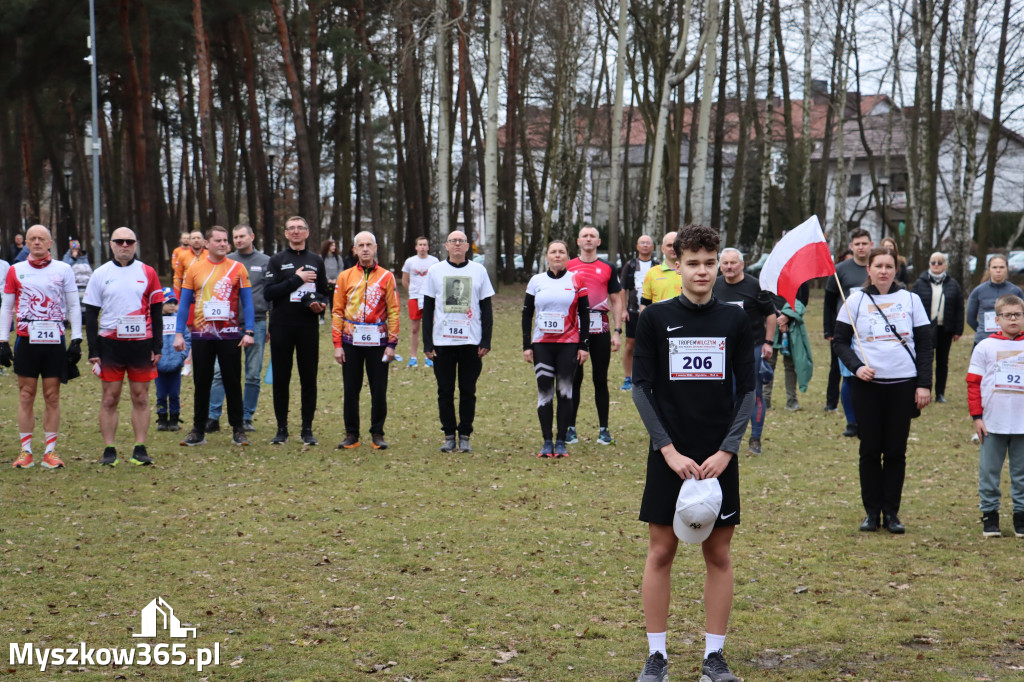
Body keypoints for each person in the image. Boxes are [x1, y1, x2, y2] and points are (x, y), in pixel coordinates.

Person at [631, 224, 753, 682]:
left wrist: (727, 451)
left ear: (718, 264)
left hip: (718, 456)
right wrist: (667, 450)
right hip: (671, 453)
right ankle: (656, 658)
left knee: (718, 555)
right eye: (693, 263)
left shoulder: (734, 320)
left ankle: (713, 659)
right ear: (677, 265)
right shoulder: (655, 318)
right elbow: (641, 389)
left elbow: (748, 390)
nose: (702, 271)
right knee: (661, 552)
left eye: (709, 263)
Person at [833, 247, 933, 534]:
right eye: (878, 266)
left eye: (889, 266)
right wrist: (856, 367)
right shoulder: (855, 301)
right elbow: (840, 341)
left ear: (896, 269)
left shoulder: (911, 300)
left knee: (895, 451)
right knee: (869, 450)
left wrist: (924, 384)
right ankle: (871, 512)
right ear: (869, 269)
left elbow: (925, 345)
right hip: (867, 388)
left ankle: (891, 513)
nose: (884, 271)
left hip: (903, 385)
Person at [0, 225, 83, 469]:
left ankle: (50, 452)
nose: (36, 242)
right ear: (26, 243)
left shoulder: (63, 269)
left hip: (54, 340)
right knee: (26, 394)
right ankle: (25, 451)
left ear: (50, 243)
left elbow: (74, 305)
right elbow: (7, 307)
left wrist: (77, 339)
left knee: (52, 396)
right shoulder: (16, 270)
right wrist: (2, 340)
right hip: (26, 340)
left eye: (41, 239)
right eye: (32, 239)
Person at [83, 227, 164, 466]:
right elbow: (91, 314)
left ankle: (140, 448)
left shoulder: (148, 272)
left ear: (135, 244)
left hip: (141, 344)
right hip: (110, 345)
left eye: (129, 241)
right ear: (111, 244)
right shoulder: (100, 273)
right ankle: (109, 450)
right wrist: (93, 350)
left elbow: (157, 311)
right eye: (119, 241)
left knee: (141, 397)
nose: (124, 245)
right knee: (110, 398)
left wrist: (158, 346)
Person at [173, 226, 256, 447]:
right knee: (202, 382)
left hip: (230, 335)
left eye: (225, 240)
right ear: (207, 244)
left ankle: (238, 429)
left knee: (232, 382)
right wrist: (178, 333)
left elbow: (247, 303)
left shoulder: (238, 268)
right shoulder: (194, 269)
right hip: (202, 335)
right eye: (218, 240)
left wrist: (249, 331)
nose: (222, 244)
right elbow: (184, 304)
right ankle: (198, 430)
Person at [421, 230, 495, 453]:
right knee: (444, 391)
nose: (457, 244)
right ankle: (448, 435)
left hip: (471, 342)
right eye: (453, 241)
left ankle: (464, 435)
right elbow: (428, 309)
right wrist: (427, 343)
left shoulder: (479, 271)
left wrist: (486, 340)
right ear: (446, 245)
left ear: (467, 246)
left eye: (461, 241)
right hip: (442, 342)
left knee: (467, 390)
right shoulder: (435, 271)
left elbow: (487, 309)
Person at [263, 216, 329, 445]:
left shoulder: (316, 260)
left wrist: (321, 305)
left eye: (300, 228)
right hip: (281, 326)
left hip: (307, 327)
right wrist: (296, 279)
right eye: (291, 228)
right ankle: (281, 429)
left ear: (307, 232)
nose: (296, 231)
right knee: (281, 379)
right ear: (286, 233)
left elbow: (324, 292)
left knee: (308, 378)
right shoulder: (276, 260)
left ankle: (307, 429)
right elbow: (269, 293)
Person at [332, 231, 399, 450]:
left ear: (376, 248)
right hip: (350, 341)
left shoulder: (386, 276)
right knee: (351, 389)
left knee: (379, 389)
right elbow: (337, 311)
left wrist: (392, 344)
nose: (365, 249)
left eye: (369, 245)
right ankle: (351, 434)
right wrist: (337, 345)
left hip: (378, 343)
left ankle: (377, 433)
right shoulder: (345, 276)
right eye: (360, 245)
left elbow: (394, 311)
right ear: (354, 250)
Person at [521, 240, 590, 457]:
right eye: (553, 252)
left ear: (568, 256)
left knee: (565, 392)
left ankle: (561, 441)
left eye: (561, 252)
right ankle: (546, 441)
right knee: (545, 392)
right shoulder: (536, 281)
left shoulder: (577, 279)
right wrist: (526, 345)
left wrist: (584, 345)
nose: (557, 255)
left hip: (569, 345)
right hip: (542, 345)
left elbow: (585, 313)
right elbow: (526, 314)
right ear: (547, 256)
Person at [966, 294, 1024, 538]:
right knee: (989, 472)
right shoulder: (985, 347)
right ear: (997, 319)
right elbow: (973, 384)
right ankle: (990, 515)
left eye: (1017, 314)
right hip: (992, 422)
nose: (1013, 319)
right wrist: (977, 417)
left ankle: (1021, 516)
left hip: (1021, 423)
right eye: (1007, 315)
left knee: (1021, 474)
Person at [207, 225, 270, 433]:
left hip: (257, 323)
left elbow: (269, 294)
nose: (238, 240)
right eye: (235, 237)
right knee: (219, 372)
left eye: (242, 236)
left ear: (252, 236)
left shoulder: (265, 261)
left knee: (252, 374)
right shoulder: (227, 261)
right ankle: (213, 416)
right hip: (228, 324)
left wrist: (270, 324)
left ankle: (246, 417)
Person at [713, 248, 777, 456]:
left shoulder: (755, 285)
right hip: (722, 349)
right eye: (725, 263)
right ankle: (729, 438)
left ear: (742, 264)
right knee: (726, 393)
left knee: (752, 392)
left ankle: (755, 439)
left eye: (733, 263)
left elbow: (770, 315)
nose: (729, 267)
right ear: (720, 266)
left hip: (752, 347)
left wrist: (768, 342)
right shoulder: (714, 285)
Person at [565, 225, 623, 446]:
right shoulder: (568, 266)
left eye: (593, 236)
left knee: (600, 378)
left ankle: (604, 430)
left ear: (599, 242)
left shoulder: (608, 267)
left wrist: (617, 331)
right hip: (574, 329)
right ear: (578, 241)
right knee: (574, 379)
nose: (588, 239)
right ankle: (570, 429)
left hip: (601, 328)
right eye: (585, 236)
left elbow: (616, 299)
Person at [823, 228, 873, 438]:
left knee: (870, 375)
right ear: (851, 247)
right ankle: (851, 422)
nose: (861, 247)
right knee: (848, 376)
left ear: (871, 245)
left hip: (872, 332)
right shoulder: (840, 270)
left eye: (864, 243)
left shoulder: (876, 268)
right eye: (857, 244)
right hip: (846, 333)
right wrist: (829, 329)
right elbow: (828, 302)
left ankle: (868, 418)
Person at [911, 252, 964, 403]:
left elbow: (959, 308)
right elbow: (912, 306)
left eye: (939, 263)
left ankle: (940, 393)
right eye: (933, 262)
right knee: (924, 359)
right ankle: (921, 388)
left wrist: (958, 330)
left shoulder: (953, 284)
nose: (936, 265)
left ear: (945, 265)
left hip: (945, 329)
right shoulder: (920, 283)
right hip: (925, 329)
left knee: (942, 362)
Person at [619, 234, 657, 391]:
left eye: (648, 243)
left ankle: (652, 377)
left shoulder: (657, 266)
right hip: (633, 311)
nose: (645, 245)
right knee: (630, 345)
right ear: (637, 246)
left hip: (653, 312)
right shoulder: (630, 265)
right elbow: (623, 288)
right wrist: (623, 310)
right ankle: (628, 378)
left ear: (653, 247)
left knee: (653, 345)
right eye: (642, 243)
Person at [765, 284, 811, 411]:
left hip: (792, 324)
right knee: (768, 361)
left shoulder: (800, 279)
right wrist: (777, 316)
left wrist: (788, 316)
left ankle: (791, 400)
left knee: (791, 363)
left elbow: (803, 300)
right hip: (771, 323)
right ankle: (765, 399)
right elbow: (763, 298)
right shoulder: (769, 277)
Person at [966, 255, 1023, 347]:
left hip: (1010, 341)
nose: (998, 270)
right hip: (983, 340)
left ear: (1007, 269)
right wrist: (982, 330)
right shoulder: (978, 291)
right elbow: (970, 318)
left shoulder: (1016, 291)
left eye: (1002, 267)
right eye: (994, 267)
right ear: (989, 269)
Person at [401, 236, 440, 368]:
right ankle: (413, 357)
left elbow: (438, 279)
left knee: (430, 327)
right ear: (416, 247)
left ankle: (430, 356)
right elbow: (405, 280)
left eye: (424, 245)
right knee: (414, 329)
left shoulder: (434, 261)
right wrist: (412, 291)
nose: (422, 247)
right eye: (420, 245)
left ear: (428, 247)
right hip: (415, 298)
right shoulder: (410, 262)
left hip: (430, 298)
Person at [156, 288, 188, 432]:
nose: (172, 305)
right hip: (159, 365)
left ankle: (174, 419)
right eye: (168, 302)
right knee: (161, 395)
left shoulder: (178, 320)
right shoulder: (155, 320)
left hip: (176, 364)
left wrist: (182, 355)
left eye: (174, 303)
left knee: (174, 394)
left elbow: (187, 338)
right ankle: (162, 418)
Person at [639, 231, 681, 310]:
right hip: (658, 317)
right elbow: (645, 304)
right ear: (663, 249)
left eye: (676, 245)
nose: (673, 248)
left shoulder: (690, 272)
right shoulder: (652, 273)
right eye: (669, 245)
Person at [173, 230, 207, 297]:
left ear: (203, 241)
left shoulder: (209, 255)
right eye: (193, 238)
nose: (196, 240)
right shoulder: (182, 256)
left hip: (206, 292)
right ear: (190, 241)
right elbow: (177, 278)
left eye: (198, 238)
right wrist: (177, 297)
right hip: (188, 292)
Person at [321, 237, 345, 324]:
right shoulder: (322, 258)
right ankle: (322, 317)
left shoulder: (338, 258)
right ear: (327, 246)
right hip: (325, 283)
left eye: (334, 246)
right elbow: (322, 269)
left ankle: (333, 317)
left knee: (333, 301)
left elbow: (341, 268)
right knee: (323, 300)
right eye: (332, 246)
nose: (334, 247)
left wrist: (336, 279)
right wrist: (328, 279)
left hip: (335, 283)